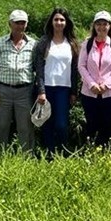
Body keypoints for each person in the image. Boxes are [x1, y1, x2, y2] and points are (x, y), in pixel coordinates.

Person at [0, 9, 37, 152]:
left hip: (25, 91)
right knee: (1, 126)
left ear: (26, 25)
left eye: (23, 23)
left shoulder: (33, 44)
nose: (19, 26)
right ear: (10, 24)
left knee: (25, 127)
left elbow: (38, 69)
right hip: (3, 90)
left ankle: (27, 158)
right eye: (16, 23)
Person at [33, 8, 79, 157]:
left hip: (63, 89)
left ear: (66, 23)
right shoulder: (44, 42)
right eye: (56, 20)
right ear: (51, 22)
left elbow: (74, 70)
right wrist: (41, 91)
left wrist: (73, 92)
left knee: (61, 124)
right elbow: (38, 68)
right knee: (47, 123)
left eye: (62, 20)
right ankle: (50, 154)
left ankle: (63, 152)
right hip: (46, 88)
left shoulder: (71, 43)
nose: (59, 22)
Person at [78, 10, 111, 150]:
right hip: (89, 93)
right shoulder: (87, 44)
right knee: (91, 124)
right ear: (94, 25)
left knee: (107, 124)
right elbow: (81, 65)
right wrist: (91, 83)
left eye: (105, 24)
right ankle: (90, 151)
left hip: (110, 93)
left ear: (110, 26)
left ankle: (105, 151)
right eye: (99, 24)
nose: (102, 27)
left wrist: (107, 84)